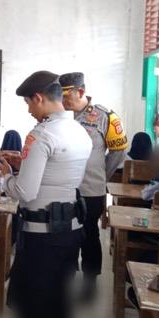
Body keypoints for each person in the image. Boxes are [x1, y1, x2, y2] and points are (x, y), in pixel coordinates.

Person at [0, 71, 91, 318]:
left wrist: (6, 177)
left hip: (41, 236)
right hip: (70, 229)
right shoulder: (80, 130)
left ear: (39, 98)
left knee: (36, 307)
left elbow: (26, 191)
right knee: (60, 296)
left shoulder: (40, 134)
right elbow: (58, 176)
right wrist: (24, 167)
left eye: (28, 103)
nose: (28, 110)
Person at [60, 72, 128, 302]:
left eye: (66, 94)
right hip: (67, 188)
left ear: (81, 91)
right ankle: (66, 276)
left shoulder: (105, 116)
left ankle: (90, 283)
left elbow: (119, 151)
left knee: (88, 235)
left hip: (91, 190)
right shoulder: (62, 117)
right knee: (67, 233)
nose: (63, 100)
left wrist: (101, 175)